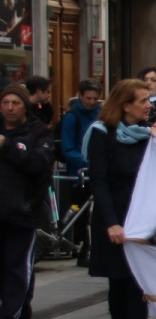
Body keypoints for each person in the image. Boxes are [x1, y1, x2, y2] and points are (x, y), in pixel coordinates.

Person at [83, 79, 156, 319]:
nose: (148, 105)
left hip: (141, 217)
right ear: (125, 105)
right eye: (142, 100)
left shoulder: (150, 136)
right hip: (113, 217)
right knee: (117, 282)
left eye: (148, 99)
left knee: (136, 283)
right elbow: (99, 182)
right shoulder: (102, 134)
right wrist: (112, 223)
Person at [0, 84, 54, 319]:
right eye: (5, 103)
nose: (10, 108)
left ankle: (11, 317)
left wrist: (9, 147)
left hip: (21, 212)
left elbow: (39, 165)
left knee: (16, 265)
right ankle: (18, 311)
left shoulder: (37, 132)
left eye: (15, 103)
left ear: (24, 106)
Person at [61, 78, 102, 267]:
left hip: (97, 171)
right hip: (79, 174)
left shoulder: (101, 114)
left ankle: (94, 247)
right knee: (80, 212)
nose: (92, 102)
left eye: (95, 98)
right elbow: (68, 148)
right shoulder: (72, 117)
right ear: (80, 96)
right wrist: (87, 163)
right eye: (88, 98)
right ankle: (83, 247)